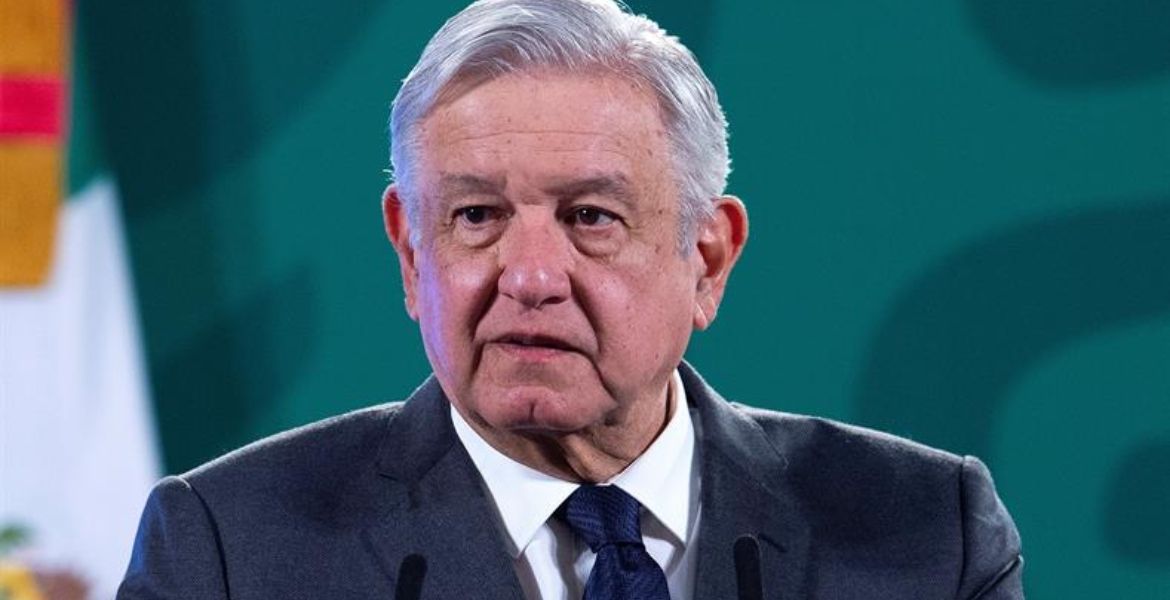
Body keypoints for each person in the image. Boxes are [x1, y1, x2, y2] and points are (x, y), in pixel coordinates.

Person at [118, 0, 1023, 598]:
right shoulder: (229, 553)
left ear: (708, 259)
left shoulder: (926, 536)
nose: (529, 276)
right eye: (476, 216)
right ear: (410, 251)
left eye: (590, 217)